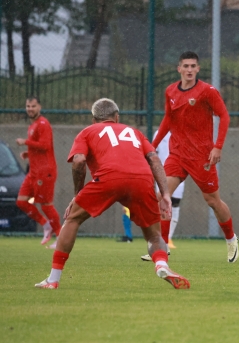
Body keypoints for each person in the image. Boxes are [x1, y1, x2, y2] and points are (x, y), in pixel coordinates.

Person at [35, 98, 189, 289]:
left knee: (72, 219)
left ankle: (53, 279)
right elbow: (154, 159)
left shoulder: (87, 131)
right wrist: (165, 193)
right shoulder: (134, 132)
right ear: (117, 117)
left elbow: (79, 161)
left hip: (109, 177)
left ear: (93, 120)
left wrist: (78, 194)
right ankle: (161, 264)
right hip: (142, 179)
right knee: (153, 234)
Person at [152, 51, 238, 263]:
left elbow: (224, 116)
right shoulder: (170, 91)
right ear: (179, 69)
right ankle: (162, 247)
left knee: (212, 201)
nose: (189, 70)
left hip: (201, 156)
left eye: (193, 66)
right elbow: (167, 120)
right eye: (186, 66)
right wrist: (151, 147)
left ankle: (231, 238)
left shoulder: (207, 91)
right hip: (177, 153)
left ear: (198, 69)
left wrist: (218, 147)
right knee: (163, 196)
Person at [15, 97, 61, 249]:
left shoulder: (43, 124)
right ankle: (45, 224)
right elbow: (38, 147)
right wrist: (28, 153)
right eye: (28, 106)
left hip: (44, 171)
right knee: (21, 201)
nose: (30, 109)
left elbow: (45, 145)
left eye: (33, 106)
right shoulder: (33, 125)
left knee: (46, 205)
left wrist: (25, 142)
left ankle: (60, 237)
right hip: (34, 172)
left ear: (39, 107)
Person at [141, 130, 185, 260]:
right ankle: (161, 245)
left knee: (174, 202)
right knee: (160, 203)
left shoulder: (184, 131)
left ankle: (166, 240)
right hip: (162, 174)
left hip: (178, 172)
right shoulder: (158, 133)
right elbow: (153, 153)